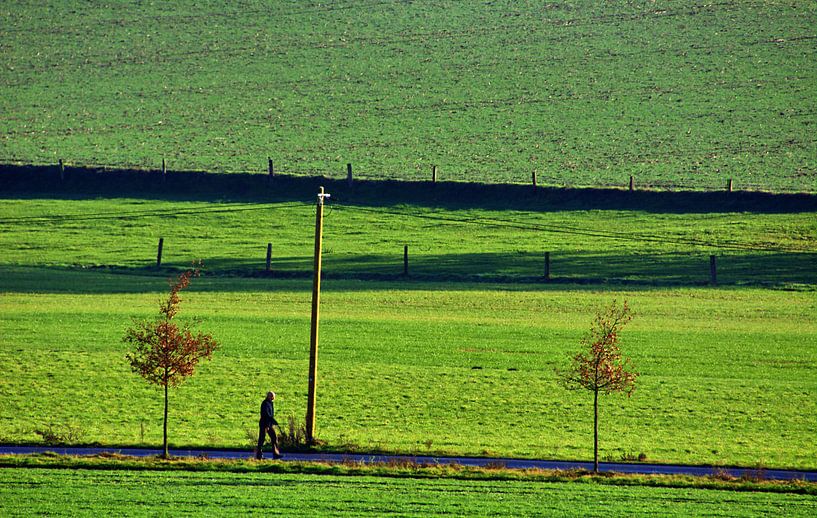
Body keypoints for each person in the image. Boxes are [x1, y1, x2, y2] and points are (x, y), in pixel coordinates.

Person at [256, 391, 282, 460]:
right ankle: (259, 455)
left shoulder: (269, 403)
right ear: (269, 396)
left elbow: (270, 415)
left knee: (274, 437)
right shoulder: (266, 404)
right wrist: (267, 425)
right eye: (273, 396)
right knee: (261, 439)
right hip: (265, 424)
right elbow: (266, 415)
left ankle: (276, 454)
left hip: (269, 424)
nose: (274, 397)